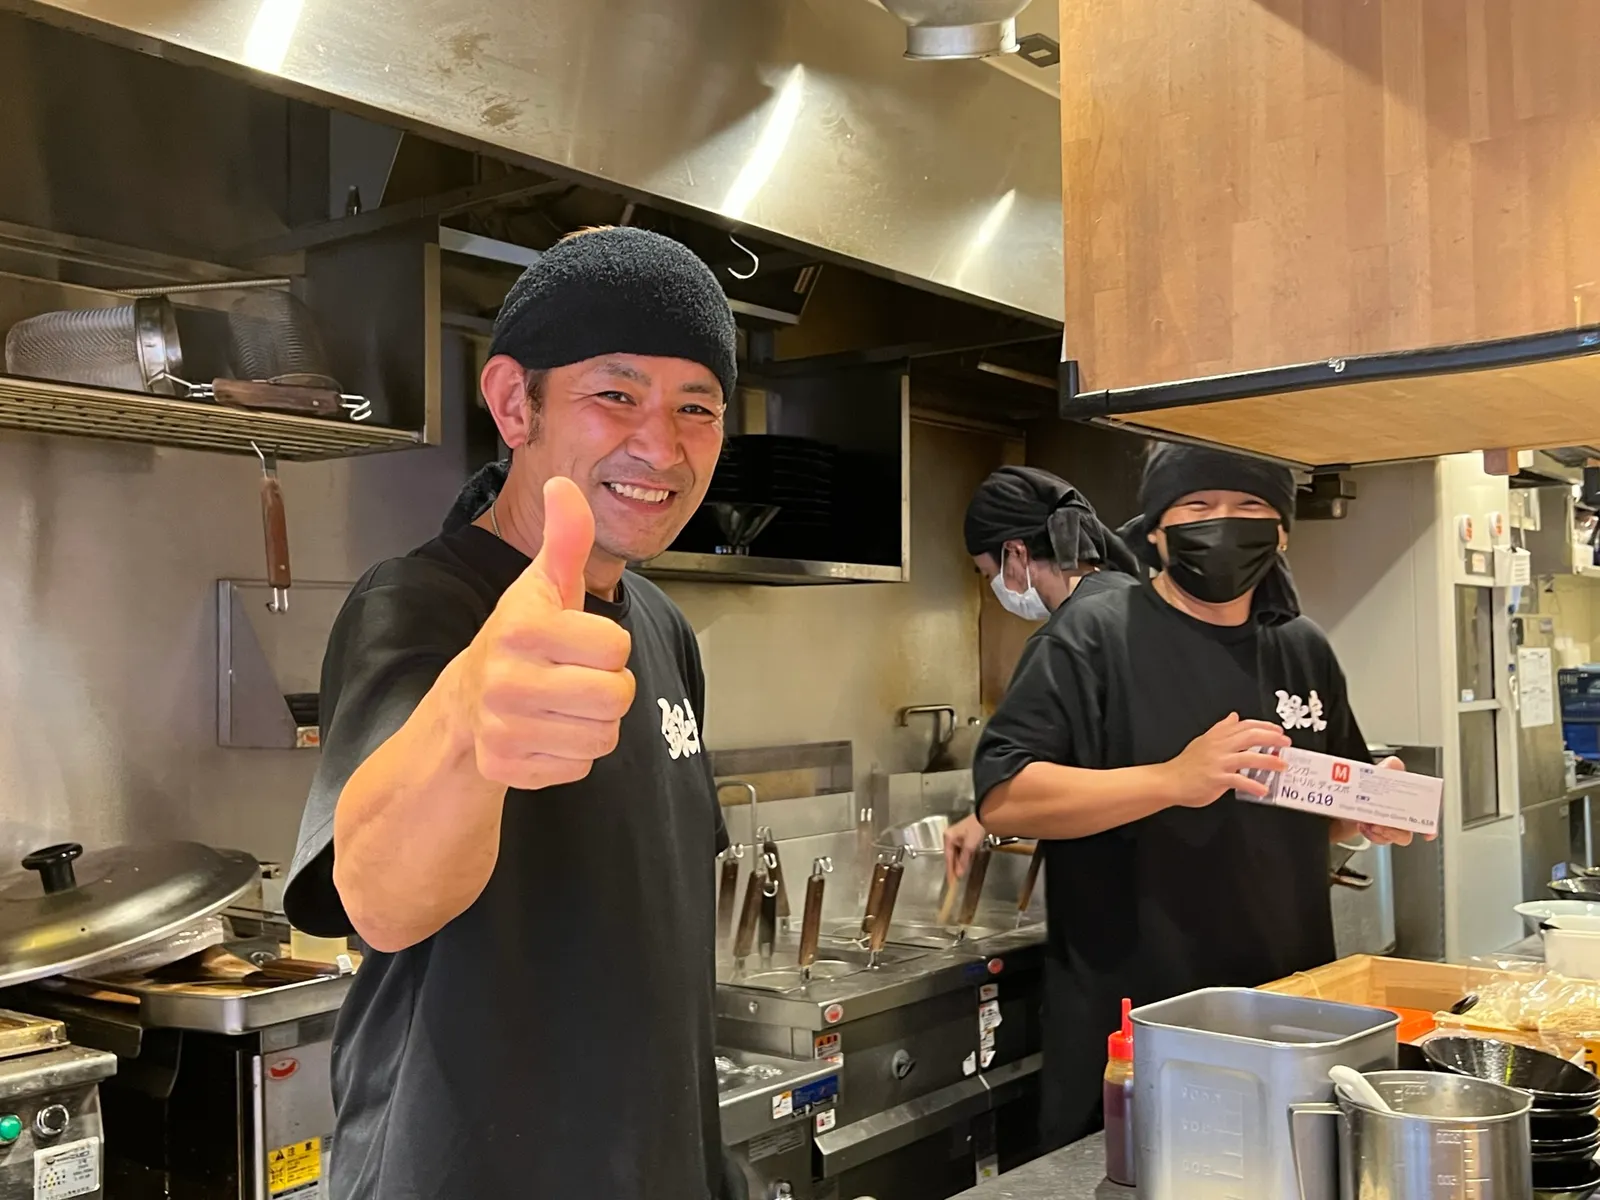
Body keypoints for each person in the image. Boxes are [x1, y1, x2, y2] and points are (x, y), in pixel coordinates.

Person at [281, 226, 745, 1199]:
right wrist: (465, 724)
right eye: (614, 394)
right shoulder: (417, 606)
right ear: (511, 403)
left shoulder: (663, 630)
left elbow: (656, 952)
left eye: (695, 407)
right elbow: (376, 899)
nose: (660, 444)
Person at [970, 442, 1413, 1150]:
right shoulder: (1093, 636)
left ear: (1281, 532)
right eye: (1198, 507)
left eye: (1249, 508)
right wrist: (1173, 779)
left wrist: (1364, 811)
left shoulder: (1301, 647)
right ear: (1155, 529)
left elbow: (1315, 819)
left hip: (1286, 1013)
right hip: (1138, 1028)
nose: (1222, 524)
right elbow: (1005, 795)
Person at [944, 466, 1141, 877]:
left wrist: (996, 810)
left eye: (989, 574)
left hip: (1117, 887)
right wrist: (984, 821)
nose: (994, 587)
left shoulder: (1068, 636)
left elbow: (1006, 791)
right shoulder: (1143, 603)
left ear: (1015, 553)